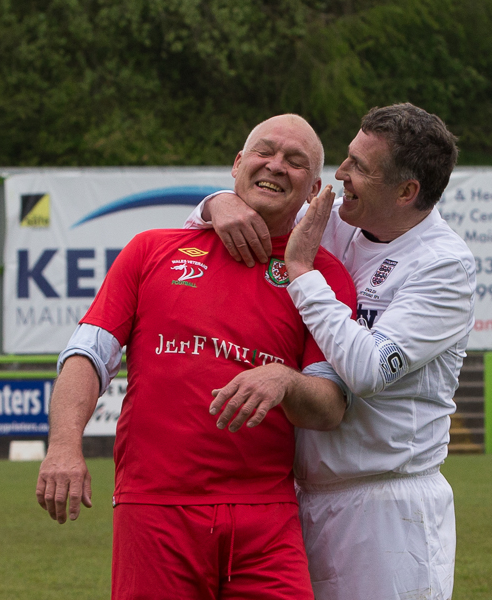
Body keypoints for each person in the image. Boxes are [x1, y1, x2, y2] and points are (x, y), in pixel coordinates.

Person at [35, 114, 357, 600]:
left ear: (314, 189)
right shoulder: (150, 250)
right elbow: (86, 356)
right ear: (237, 164)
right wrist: (63, 445)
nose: (275, 165)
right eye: (264, 151)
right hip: (155, 508)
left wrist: (285, 381)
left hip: (267, 516)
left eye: (295, 161)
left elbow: (330, 407)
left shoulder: (321, 277)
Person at [186, 103, 477, 600]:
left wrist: (302, 273)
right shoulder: (336, 218)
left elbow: (366, 369)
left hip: (387, 509)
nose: (340, 174)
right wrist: (218, 204)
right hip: (300, 498)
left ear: (406, 192)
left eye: (360, 167)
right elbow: (251, 211)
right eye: (348, 157)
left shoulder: (444, 266)